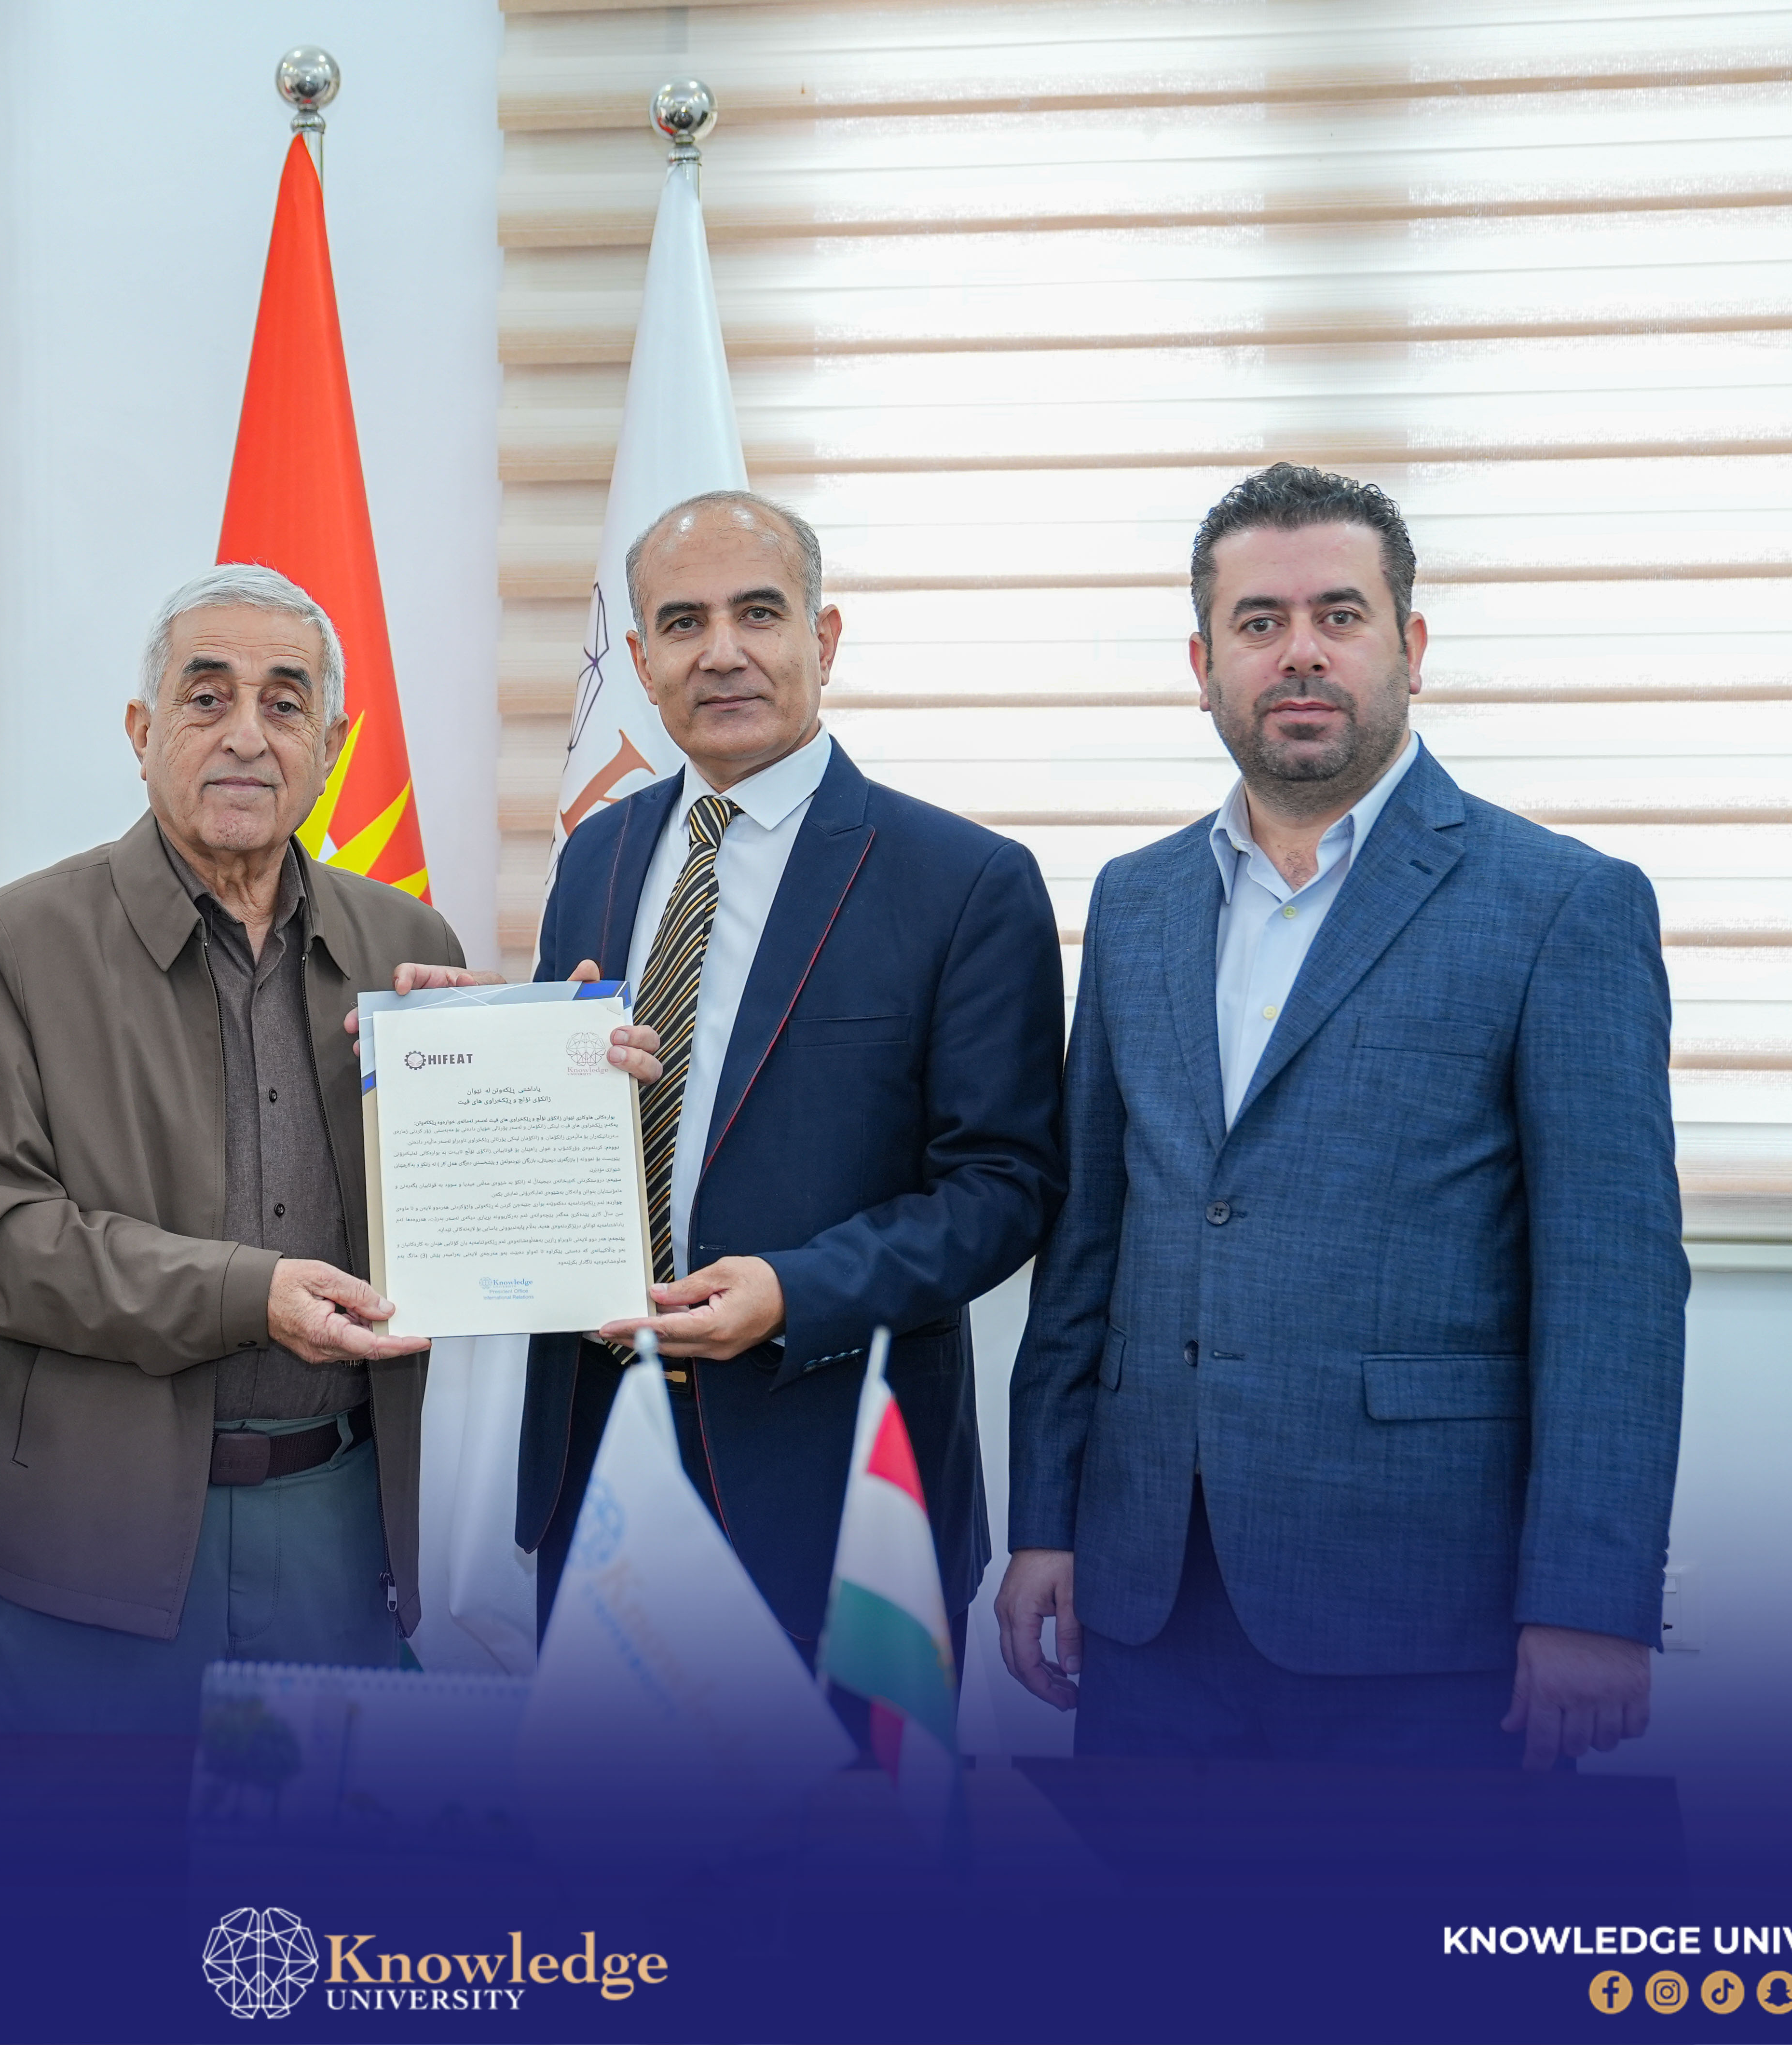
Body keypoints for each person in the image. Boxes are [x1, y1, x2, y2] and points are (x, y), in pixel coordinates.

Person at [998, 462, 1688, 1771]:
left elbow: (1616, 1284)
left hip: (1421, 1613)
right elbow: (1089, 1242)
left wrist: (1591, 1599)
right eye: (1259, 622)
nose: (1300, 653)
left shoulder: (1561, 903)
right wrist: (1045, 1519)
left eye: (1340, 615)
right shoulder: (1136, 901)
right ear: (1203, 665)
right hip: (1147, 1595)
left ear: (1410, 647)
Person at [502, 490, 1067, 1658]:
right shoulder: (597, 853)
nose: (723, 651)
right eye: (684, 622)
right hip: (599, 1456)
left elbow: (1003, 1188)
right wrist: (474, 1055)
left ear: (825, 636)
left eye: (758, 613)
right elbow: (560, 1126)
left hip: (839, 1484)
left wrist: (794, 1291)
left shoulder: (964, 879)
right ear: (643, 662)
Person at [0, 565, 470, 1733]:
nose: (246, 735)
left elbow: (461, 1230)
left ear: (330, 743)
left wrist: (554, 1074)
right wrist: (247, 1294)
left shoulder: (410, 941)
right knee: (82, 1857)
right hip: (91, 1531)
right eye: (207, 696)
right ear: (142, 729)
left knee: (320, 1858)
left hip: (338, 1523)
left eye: (285, 703)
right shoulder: (17, 941)